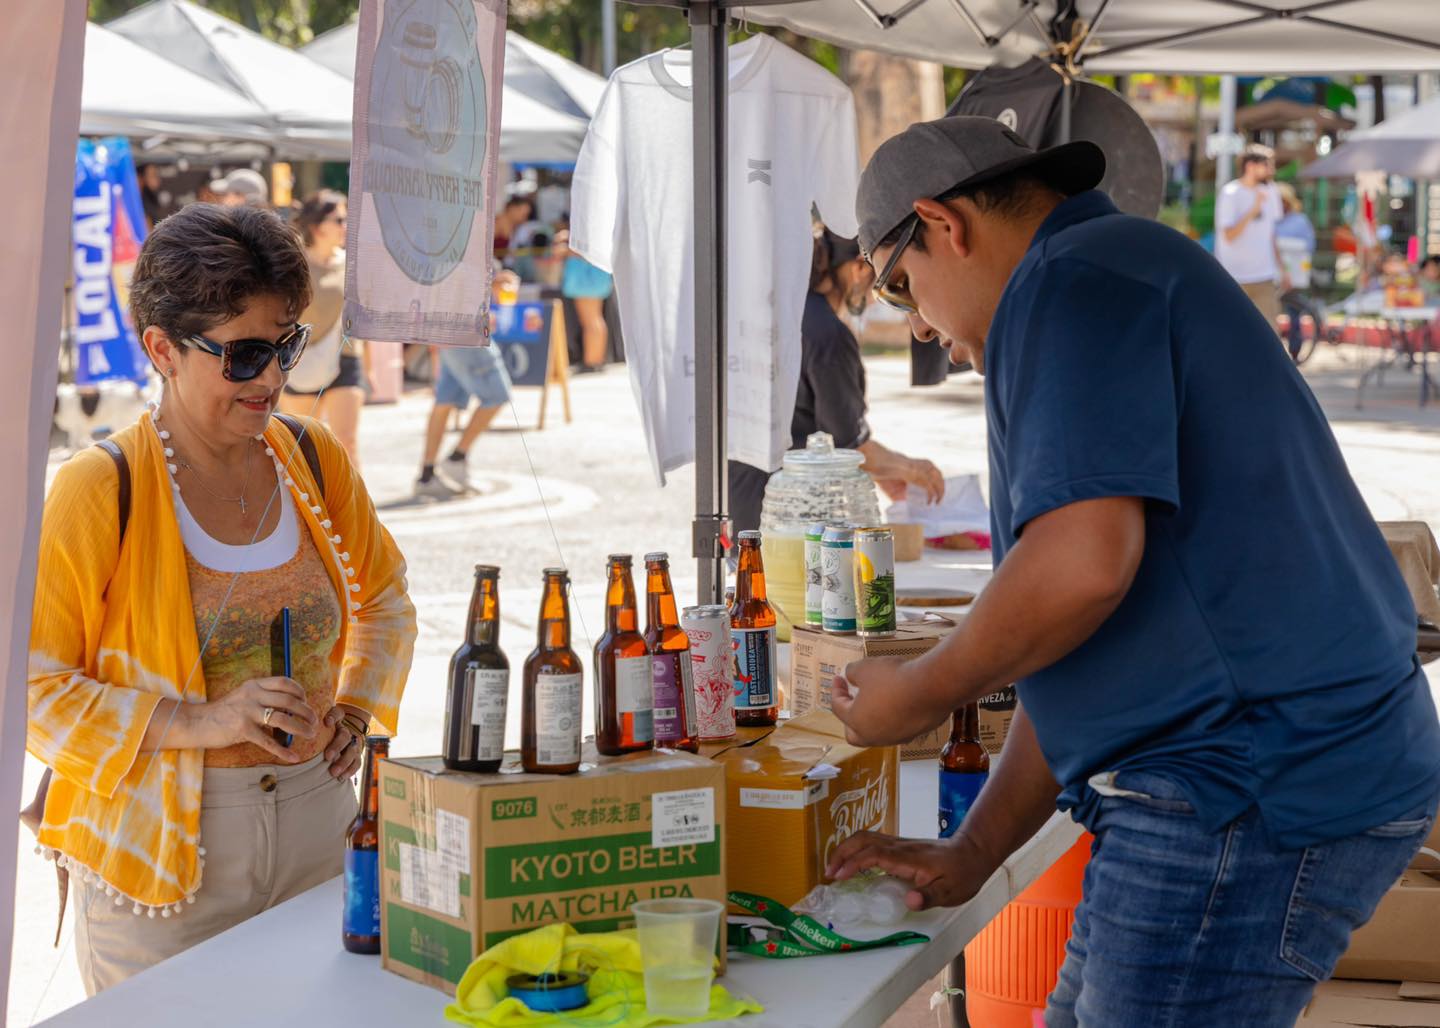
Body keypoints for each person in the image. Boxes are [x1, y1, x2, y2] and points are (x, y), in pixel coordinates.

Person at [825, 117, 1440, 1026]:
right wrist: (976, 847)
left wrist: (914, 693)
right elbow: (1075, 642)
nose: (922, 326)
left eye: (903, 288)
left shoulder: (1070, 286)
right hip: (1241, 778)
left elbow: (1079, 571)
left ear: (943, 223)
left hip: (1247, 786)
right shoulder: (1107, 270)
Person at [27, 202, 417, 993]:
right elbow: (30, 689)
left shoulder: (313, 457)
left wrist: (353, 708)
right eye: (243, 356)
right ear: (163, 350)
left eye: (286, 346)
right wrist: (207, 720)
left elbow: (386, 597)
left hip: (320, 830)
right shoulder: (101, 487)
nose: (273, 377)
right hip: (160, 864)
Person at [727, 227, 945, 534]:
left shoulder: (784, 314)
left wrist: (886, 473)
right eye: (881, 283)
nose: (877, 299)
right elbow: (848, 445)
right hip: (784, 515)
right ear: (858, 268)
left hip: (739, 500)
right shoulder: (829, 336)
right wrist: (913, 469)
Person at [279, 191, 372, 468]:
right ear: (318, 226)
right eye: (340, 219)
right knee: (305, 449)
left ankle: (355, 510)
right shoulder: (294, 266)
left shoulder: (353, 265)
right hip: (301, 362)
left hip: (346, 358)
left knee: (347, 442)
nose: (346, 226)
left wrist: (370, 366)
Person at [415, 271, 517, 499]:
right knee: (498, 395)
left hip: (445, 329)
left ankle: (427, 474)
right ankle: (456, 458)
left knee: (445, 401)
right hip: (465, 330)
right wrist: (492, 281)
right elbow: (457, 276)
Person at [1215, 145, 1285, 326]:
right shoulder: (1231, 193)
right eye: (1266, 165)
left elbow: (1271, 234)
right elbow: (1229, 235)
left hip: (1264, 276)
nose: (1271, 170)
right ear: (1250, 166)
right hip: (1234, 276)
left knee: (1269, 332)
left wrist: (1282, 268)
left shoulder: (1271, 192)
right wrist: (1252, 210)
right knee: (1232, 330)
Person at [560, 229, 615, 372]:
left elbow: (584, 252)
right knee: (595, 320)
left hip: (585, 280)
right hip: (593, 277)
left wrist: (567, 248)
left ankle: (591, 361)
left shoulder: (588, 229)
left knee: (591, 321)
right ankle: (596, 360)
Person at [1275, 183, 1318, 361]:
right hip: (1272, 273)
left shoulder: (1300, 221)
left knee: (1294, 313)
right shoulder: (1270, 220)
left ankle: (1294, 350)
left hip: (1294, 273)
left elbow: (1309, 246)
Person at [493, 195, 535, 260]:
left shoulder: (515, 227)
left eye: (526, 216)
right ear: (512, 209)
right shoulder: (497, 223)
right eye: (523, 215)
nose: (524, 219)